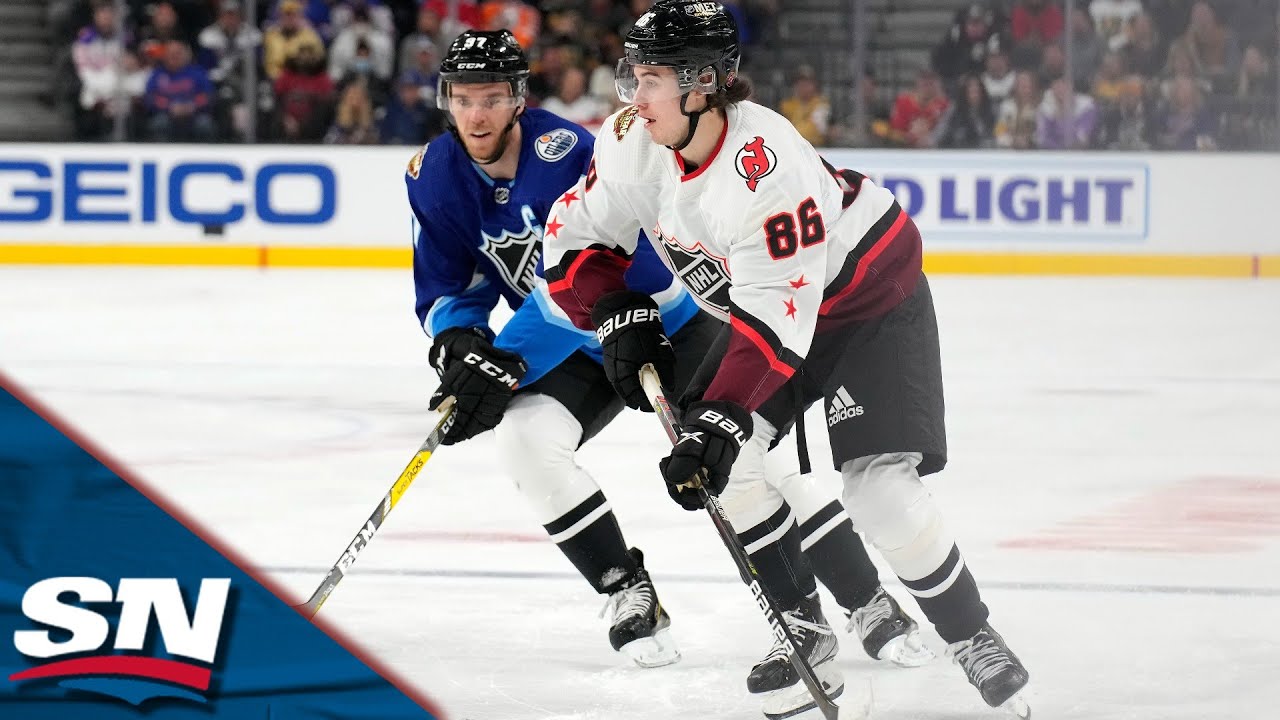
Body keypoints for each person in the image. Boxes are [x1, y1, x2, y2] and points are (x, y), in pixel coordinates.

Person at [540, 2, 1031, 717]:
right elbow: (575, 238)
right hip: (775, 317)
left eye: (650, 79)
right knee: (730, 467)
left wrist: (719, 423)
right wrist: (614, 313)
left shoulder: (767, 169)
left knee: (877, 493)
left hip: (867, 305)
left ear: (703, 83)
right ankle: (804, 626)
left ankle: (971, 634)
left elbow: (775, 328)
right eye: (633, 76)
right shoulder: (631, 141)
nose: (631, 96)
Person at [405, 29, 931, 679]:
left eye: (491, 97)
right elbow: (448, 281)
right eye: (463, 98)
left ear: (517, 99)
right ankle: (629, 591)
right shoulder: (433, 177)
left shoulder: (566, 150)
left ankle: (867, 600)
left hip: (667, 323)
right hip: (578, 335)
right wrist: (460, 343)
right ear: (445, 101)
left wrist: (508, 353)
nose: (476, 113)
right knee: (524, 439)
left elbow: (646, 251)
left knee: (739, 459)